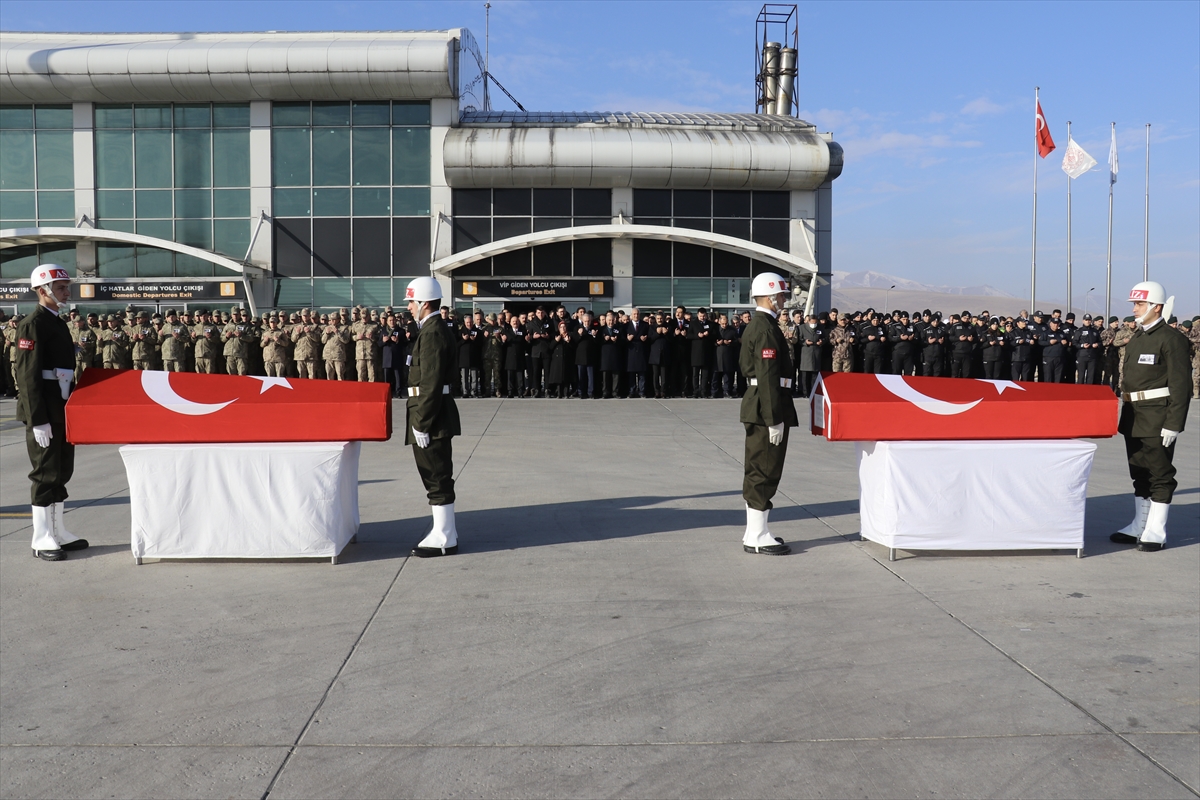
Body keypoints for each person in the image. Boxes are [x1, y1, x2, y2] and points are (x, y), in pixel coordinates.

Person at [1110, 282, 1190, 552]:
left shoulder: (1171, 339)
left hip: (1158, 417)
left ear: (1156, 307)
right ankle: (1140, 525)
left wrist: (1174, 423)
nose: (1135, 309)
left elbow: (1181, 385)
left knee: (1160, 474)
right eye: (1134, 304)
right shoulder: (1138, 337)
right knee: (1139, 472)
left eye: (1140, 304)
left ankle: (1156, 530)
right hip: (1133, 415)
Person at [16, 265, 88, 561]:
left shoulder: (56, 321)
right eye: (60, 288)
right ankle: (41, 537)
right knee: (45, 473)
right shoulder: (32, 324)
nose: (66, 292)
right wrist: (38, 420)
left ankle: (57, 531)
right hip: (45, 410)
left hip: (61, 407)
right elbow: (27, 375)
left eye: (66, 287)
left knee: (61, 471)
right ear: (42, 290)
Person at [739, 272, 798, 556]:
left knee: (759, 468)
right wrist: (774, 418)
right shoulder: (764, 329)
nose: (784, 299)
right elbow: (767, 376)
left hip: (760, 405)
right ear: (771, 297)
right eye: (782, 295)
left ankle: (754, 531)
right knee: (765, 470)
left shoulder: (763, 325)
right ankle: (758, 535)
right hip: (767, 407)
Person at [403, 276, 462, 557]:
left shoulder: (433, 332)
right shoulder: (430, 329)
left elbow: (431, 382)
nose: (409, 308)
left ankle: (445, 536)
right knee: (433, 474)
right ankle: (443, 531)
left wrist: (422, 423)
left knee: (436, 474)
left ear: (425, 303)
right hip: (429, 411)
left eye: (412, 302)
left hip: (431, 415)